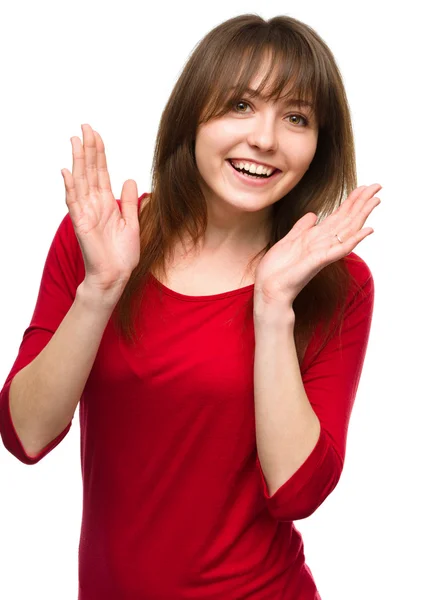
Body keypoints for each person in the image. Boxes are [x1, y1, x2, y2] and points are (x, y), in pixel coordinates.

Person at [0, 13, 381, 600]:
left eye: (297, 118)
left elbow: (297, 493)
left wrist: (275, 304)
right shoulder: (104, 236)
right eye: (240, 105)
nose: (265, 138)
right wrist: (101, 288)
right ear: (193, 116)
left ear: (318, 145)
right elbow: (25, 435)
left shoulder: (336, 283)